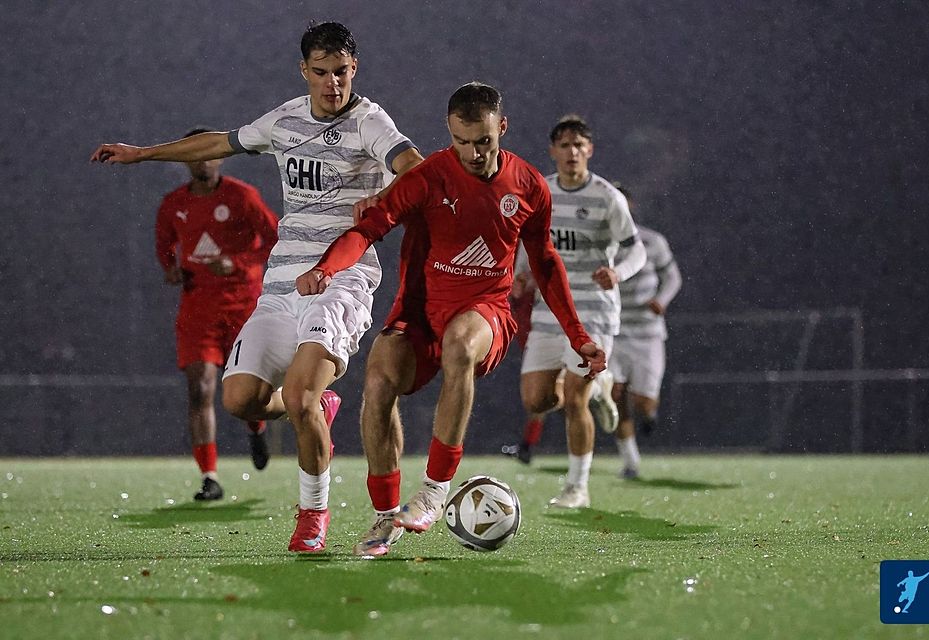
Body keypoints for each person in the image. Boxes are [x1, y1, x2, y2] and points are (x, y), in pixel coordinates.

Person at [91, 22, 423, 552]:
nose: (332, 83)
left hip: (343, 280)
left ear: (353, 69)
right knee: (240, 399)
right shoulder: (286, 118)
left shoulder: (369, 122)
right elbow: (221, 141)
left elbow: (415, 168)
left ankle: (313, 516)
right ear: (304, 71)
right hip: (282, 283)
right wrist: (144, 153)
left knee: (298, 394)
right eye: (321, 72)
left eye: (341, 72)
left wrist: (385, 202)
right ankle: (316, 407)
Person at [294, 82, 607, 557]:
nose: (474, 153)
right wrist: (325, 268)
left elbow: (544, 262)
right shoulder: (426, 177)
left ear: (501, 128)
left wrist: (578, 336)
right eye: (463, 142)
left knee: (461, 343)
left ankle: (436, 490)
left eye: (484, 141)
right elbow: (367, 230)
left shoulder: (528, 185)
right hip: (420, 315)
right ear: (449, 131)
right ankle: (386, 518)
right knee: (378, 378)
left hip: (487, 314)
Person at [504, 115, 647, 508]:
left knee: (573, 398)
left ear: (590, 151)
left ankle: (577, 487)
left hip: (594, 313)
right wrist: (519, 276)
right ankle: (601, 388)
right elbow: (524, 242)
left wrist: (617, 272)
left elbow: (637, 248)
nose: (572, 152)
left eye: (579, 145)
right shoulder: (540, 191)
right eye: (564, 146)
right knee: (535, 400)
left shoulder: (606, 197)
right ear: (553, 151)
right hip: (550, 312)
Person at [155, 127, 279, 500]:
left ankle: (256, 429)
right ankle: (209, 477)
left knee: (248, 391)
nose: (202, 160)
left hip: (244, 305)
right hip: (198, 308)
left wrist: (238, 263)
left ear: (220, 157)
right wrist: (170, 269)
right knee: (200, 388)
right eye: (193, 154)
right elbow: (164, 246)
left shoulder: (242, 196)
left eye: (208, 153)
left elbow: (275, 239)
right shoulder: (173, 204)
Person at [608, 184, 682, 479]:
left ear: (631, 207)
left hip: (648, 333)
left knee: (643, 403)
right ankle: (631, 461)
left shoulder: (652, 241)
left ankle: (649, 415)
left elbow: (673, 276)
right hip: (612, 331)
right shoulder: (598, 242)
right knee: (615, 396)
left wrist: (661, 300)